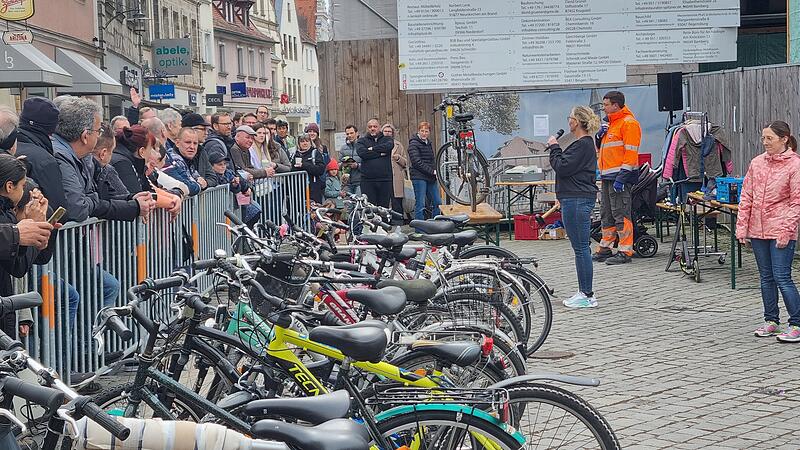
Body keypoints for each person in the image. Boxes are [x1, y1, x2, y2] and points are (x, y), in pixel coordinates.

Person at [736, 121, 800, 343]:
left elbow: (796, 202)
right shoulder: (757, 163)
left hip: (781, 229)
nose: (765, 142)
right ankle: (771, 320)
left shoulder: (794, 165)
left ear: (784, 139)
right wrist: (742, 227)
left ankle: (797, 323)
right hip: (757, 229)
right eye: (763, 138)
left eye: (770, 138)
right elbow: (746, 197)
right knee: (766, 277)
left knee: (782, 276)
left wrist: (786, 231)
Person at [51, 96, 155, 223]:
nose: (99, 135)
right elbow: (78, 208)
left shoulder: (83, 157)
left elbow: (102, 196)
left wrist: (131, 199)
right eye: (98, 130)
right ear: (85, 136)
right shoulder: (61, 157)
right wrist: (93, 199)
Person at [548, 106, 601, 308]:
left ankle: (586, 294)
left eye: (569, 117)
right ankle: (584, 292)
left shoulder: (583, 144)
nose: (568, 121)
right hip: (574, 197)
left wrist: (554, 147)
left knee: (581, 248)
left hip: (577, 200)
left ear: (576, 122)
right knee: (580, 247)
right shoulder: (583, 145)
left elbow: (563, 166)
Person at [0, 154, 57, 338]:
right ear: (10, 186)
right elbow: (18, 266)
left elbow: (40, 257)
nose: (24, 192)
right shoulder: (5, 214)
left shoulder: (7, 212)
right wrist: (30, 226)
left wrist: (43, 229)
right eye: (23, 186)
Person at [594, 90, 641, 265]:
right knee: (607, 213)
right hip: (608, 177)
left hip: (619, 177)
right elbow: (604, 151)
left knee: (621, 213)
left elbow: (631, 152)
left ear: (615, 105)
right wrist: (598, 138)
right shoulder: (611, 124)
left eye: (606, 105)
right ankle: (605, 248)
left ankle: (625, 251)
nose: (604, 108)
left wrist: (622, 177)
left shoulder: (629, 123)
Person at [14, 98, 68, 212]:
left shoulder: (7, 148)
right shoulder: (44, 160)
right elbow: (59, 210)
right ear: (51, 129)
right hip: (35, 226)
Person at [206, 152, 262, 227]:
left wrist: (235, 185)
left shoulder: (228, 173)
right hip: (217, 208)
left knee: (255, 211)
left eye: (224, 164)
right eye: (220, 164)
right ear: (211, 166)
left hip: (233, 206)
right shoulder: (212, 176)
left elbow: (238, 184)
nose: (223, 166)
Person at [356, 118, 394, 207]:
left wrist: (372, 149)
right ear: (367, 128)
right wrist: (381, 153)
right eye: (370, 127)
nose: (372, 128)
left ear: (379, 127)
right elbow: (362, 153)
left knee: (384, 208)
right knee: (369, 208)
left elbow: (388, 147)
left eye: (375, 126)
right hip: (367, 180)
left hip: (385, 180)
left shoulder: (387, 139)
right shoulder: (362, 141)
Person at [408, 121, 441, 220]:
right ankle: (419, 229)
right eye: (422, 131)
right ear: (418, 131)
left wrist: (435, 171)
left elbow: (432, 160)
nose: (424, 133)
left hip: (430, 177)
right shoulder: (413, 144)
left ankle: (436, 225)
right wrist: (432, 171)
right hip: (419, 177)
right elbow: (417, 162)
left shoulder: (428, 143)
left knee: (437, 202)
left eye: (426, 131)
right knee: (420, 203)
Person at [112, 125, 157, 194]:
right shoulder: (123, 165)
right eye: (150, 149)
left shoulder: (127, 160)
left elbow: (149, 189)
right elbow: (138, 196)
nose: (151, 154)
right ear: (142, 151)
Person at [164, 127, 207, 196]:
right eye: (188, 142)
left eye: (195, 143)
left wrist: (199, 180)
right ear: (177, 143)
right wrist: (198, 184)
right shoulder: (174, 160)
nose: (192, 147)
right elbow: (186, 185)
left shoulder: (190, 159)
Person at [93, 124, 130, 201]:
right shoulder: (107, 171)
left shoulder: (75, 166)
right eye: (112, 151)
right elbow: (124, 199)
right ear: (103, 153)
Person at [384, 123, 408, 223]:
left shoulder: (398, 145)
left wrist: (398, 158)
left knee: (396, 200)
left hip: (396, 177)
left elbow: (405, 163)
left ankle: (398, 222)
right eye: (385, 131)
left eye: (389, 131)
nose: (387, 133)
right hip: (384, 176)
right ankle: (385, 222)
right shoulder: (378, 145)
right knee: (384, 201)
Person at [291, 134, 326, 204]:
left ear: (310, 142)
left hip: (313, 189)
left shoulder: (315, 153)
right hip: (298, 190)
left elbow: (321, 169)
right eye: (302, 141)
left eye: (307, 141)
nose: (305, 143)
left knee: (313, 211)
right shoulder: (295, 154)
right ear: (298, 143)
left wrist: (304, 165)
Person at [339, 125, 362, 195]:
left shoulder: (362, 146)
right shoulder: (343, 148)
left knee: (359, 204)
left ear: (357, 133)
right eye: (347, 134)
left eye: (351, 133)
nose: (349, 135)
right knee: (348, 205)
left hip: (360, 183)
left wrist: (357, 165)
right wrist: (343, 164)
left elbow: (368, 165)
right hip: (347, 184)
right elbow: (338, 165)